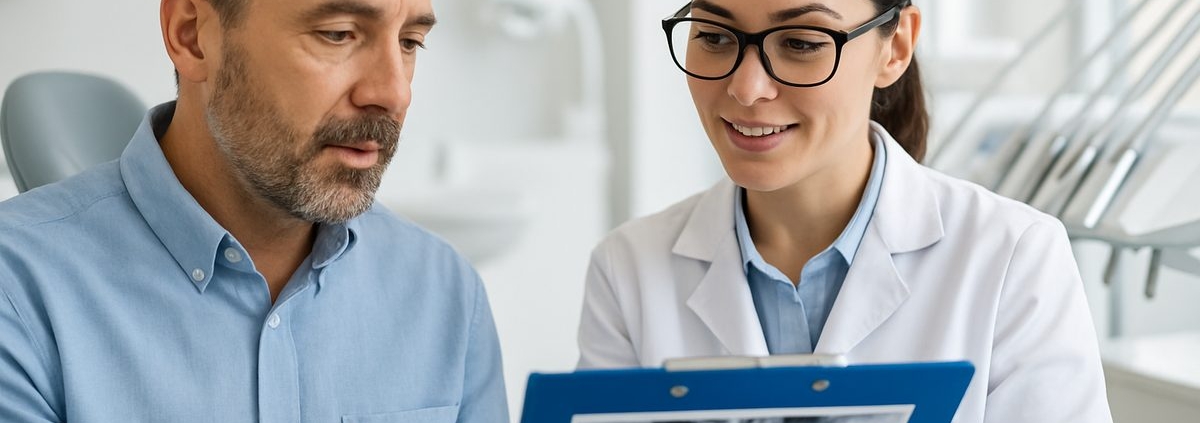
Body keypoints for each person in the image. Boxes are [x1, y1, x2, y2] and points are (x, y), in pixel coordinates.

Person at [576, 1, 1111, 422]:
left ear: (894, 47)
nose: (746, 88)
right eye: (716, 37)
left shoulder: (1014, 257)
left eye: (802, 43)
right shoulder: (628, 268)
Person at [0, 0, 508, 421]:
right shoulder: (17, 293)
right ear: (193, 34)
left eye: (410, 42)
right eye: (338, 34)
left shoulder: (447, 295)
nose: (394, 92)